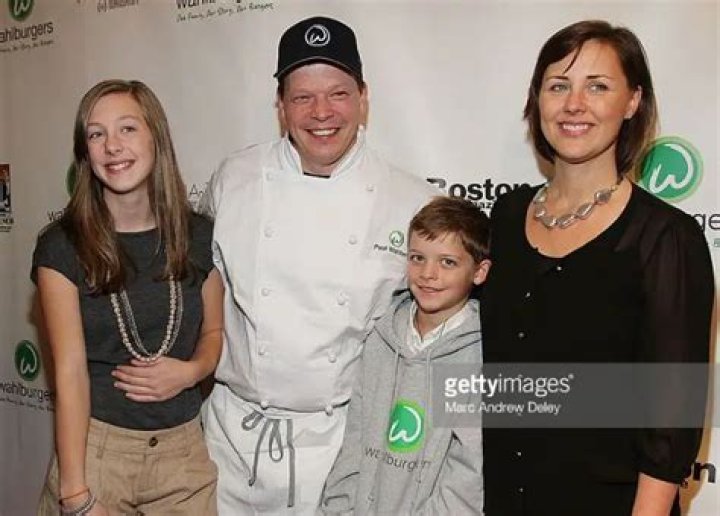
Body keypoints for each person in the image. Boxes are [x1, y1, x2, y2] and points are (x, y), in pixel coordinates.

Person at [200, 15, 437, 515]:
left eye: (338, 94)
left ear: (363, 98)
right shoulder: (234, 179)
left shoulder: (411, 202)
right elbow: (200, 291)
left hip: (337, 449)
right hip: (228, 443)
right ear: (280, 106)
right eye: (303, 97)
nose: (321, 112)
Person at [481, 20, 714, 515]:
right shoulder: (503, 218)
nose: (574, 104)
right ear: (536, 100)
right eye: (558, 85)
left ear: (632, 102)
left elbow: (670, 426)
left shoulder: (665, 239)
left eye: (598, 86)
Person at [33, 79, 222, 515]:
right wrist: (76, 494)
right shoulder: (62, 246)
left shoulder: (198, 236)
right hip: (97, 456)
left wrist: (191, 371)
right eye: (96, 134)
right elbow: (69, 371)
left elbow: (214, 331)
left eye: (128, 129)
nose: (112, 146)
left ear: (156, 137)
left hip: (183, 459)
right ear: (85, 152)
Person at [320, 196, 490, 515]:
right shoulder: (381, 336)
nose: (428, 273)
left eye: (447, 262)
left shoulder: (479, 354)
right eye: (417, 258)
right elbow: (355, 440)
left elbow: (468, 474)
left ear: (479, 272)